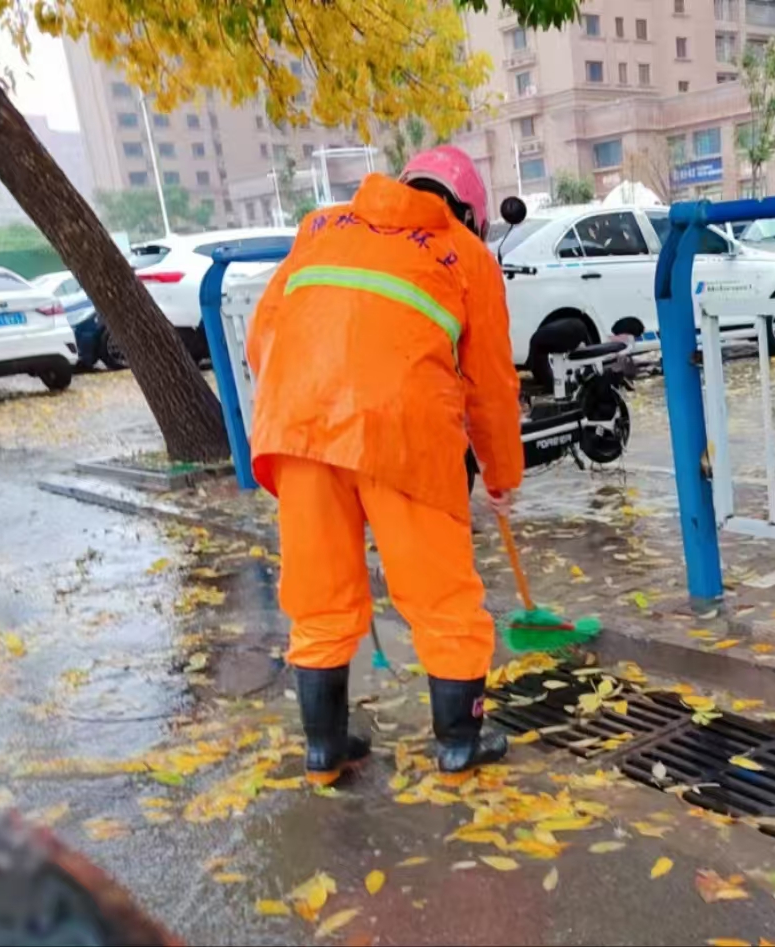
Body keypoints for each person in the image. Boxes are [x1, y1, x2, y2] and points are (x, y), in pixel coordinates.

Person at [244, 146, 524, 784]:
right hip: (405, 436)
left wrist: (302, 399)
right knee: (441, 597)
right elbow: (490, 387)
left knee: (318, 598)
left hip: (301, 428)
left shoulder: (321, 228)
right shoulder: (466, 255)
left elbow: (264, 334)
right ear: (473, 216)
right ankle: (458, 743)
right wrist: (502, 472)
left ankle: (324, 747)